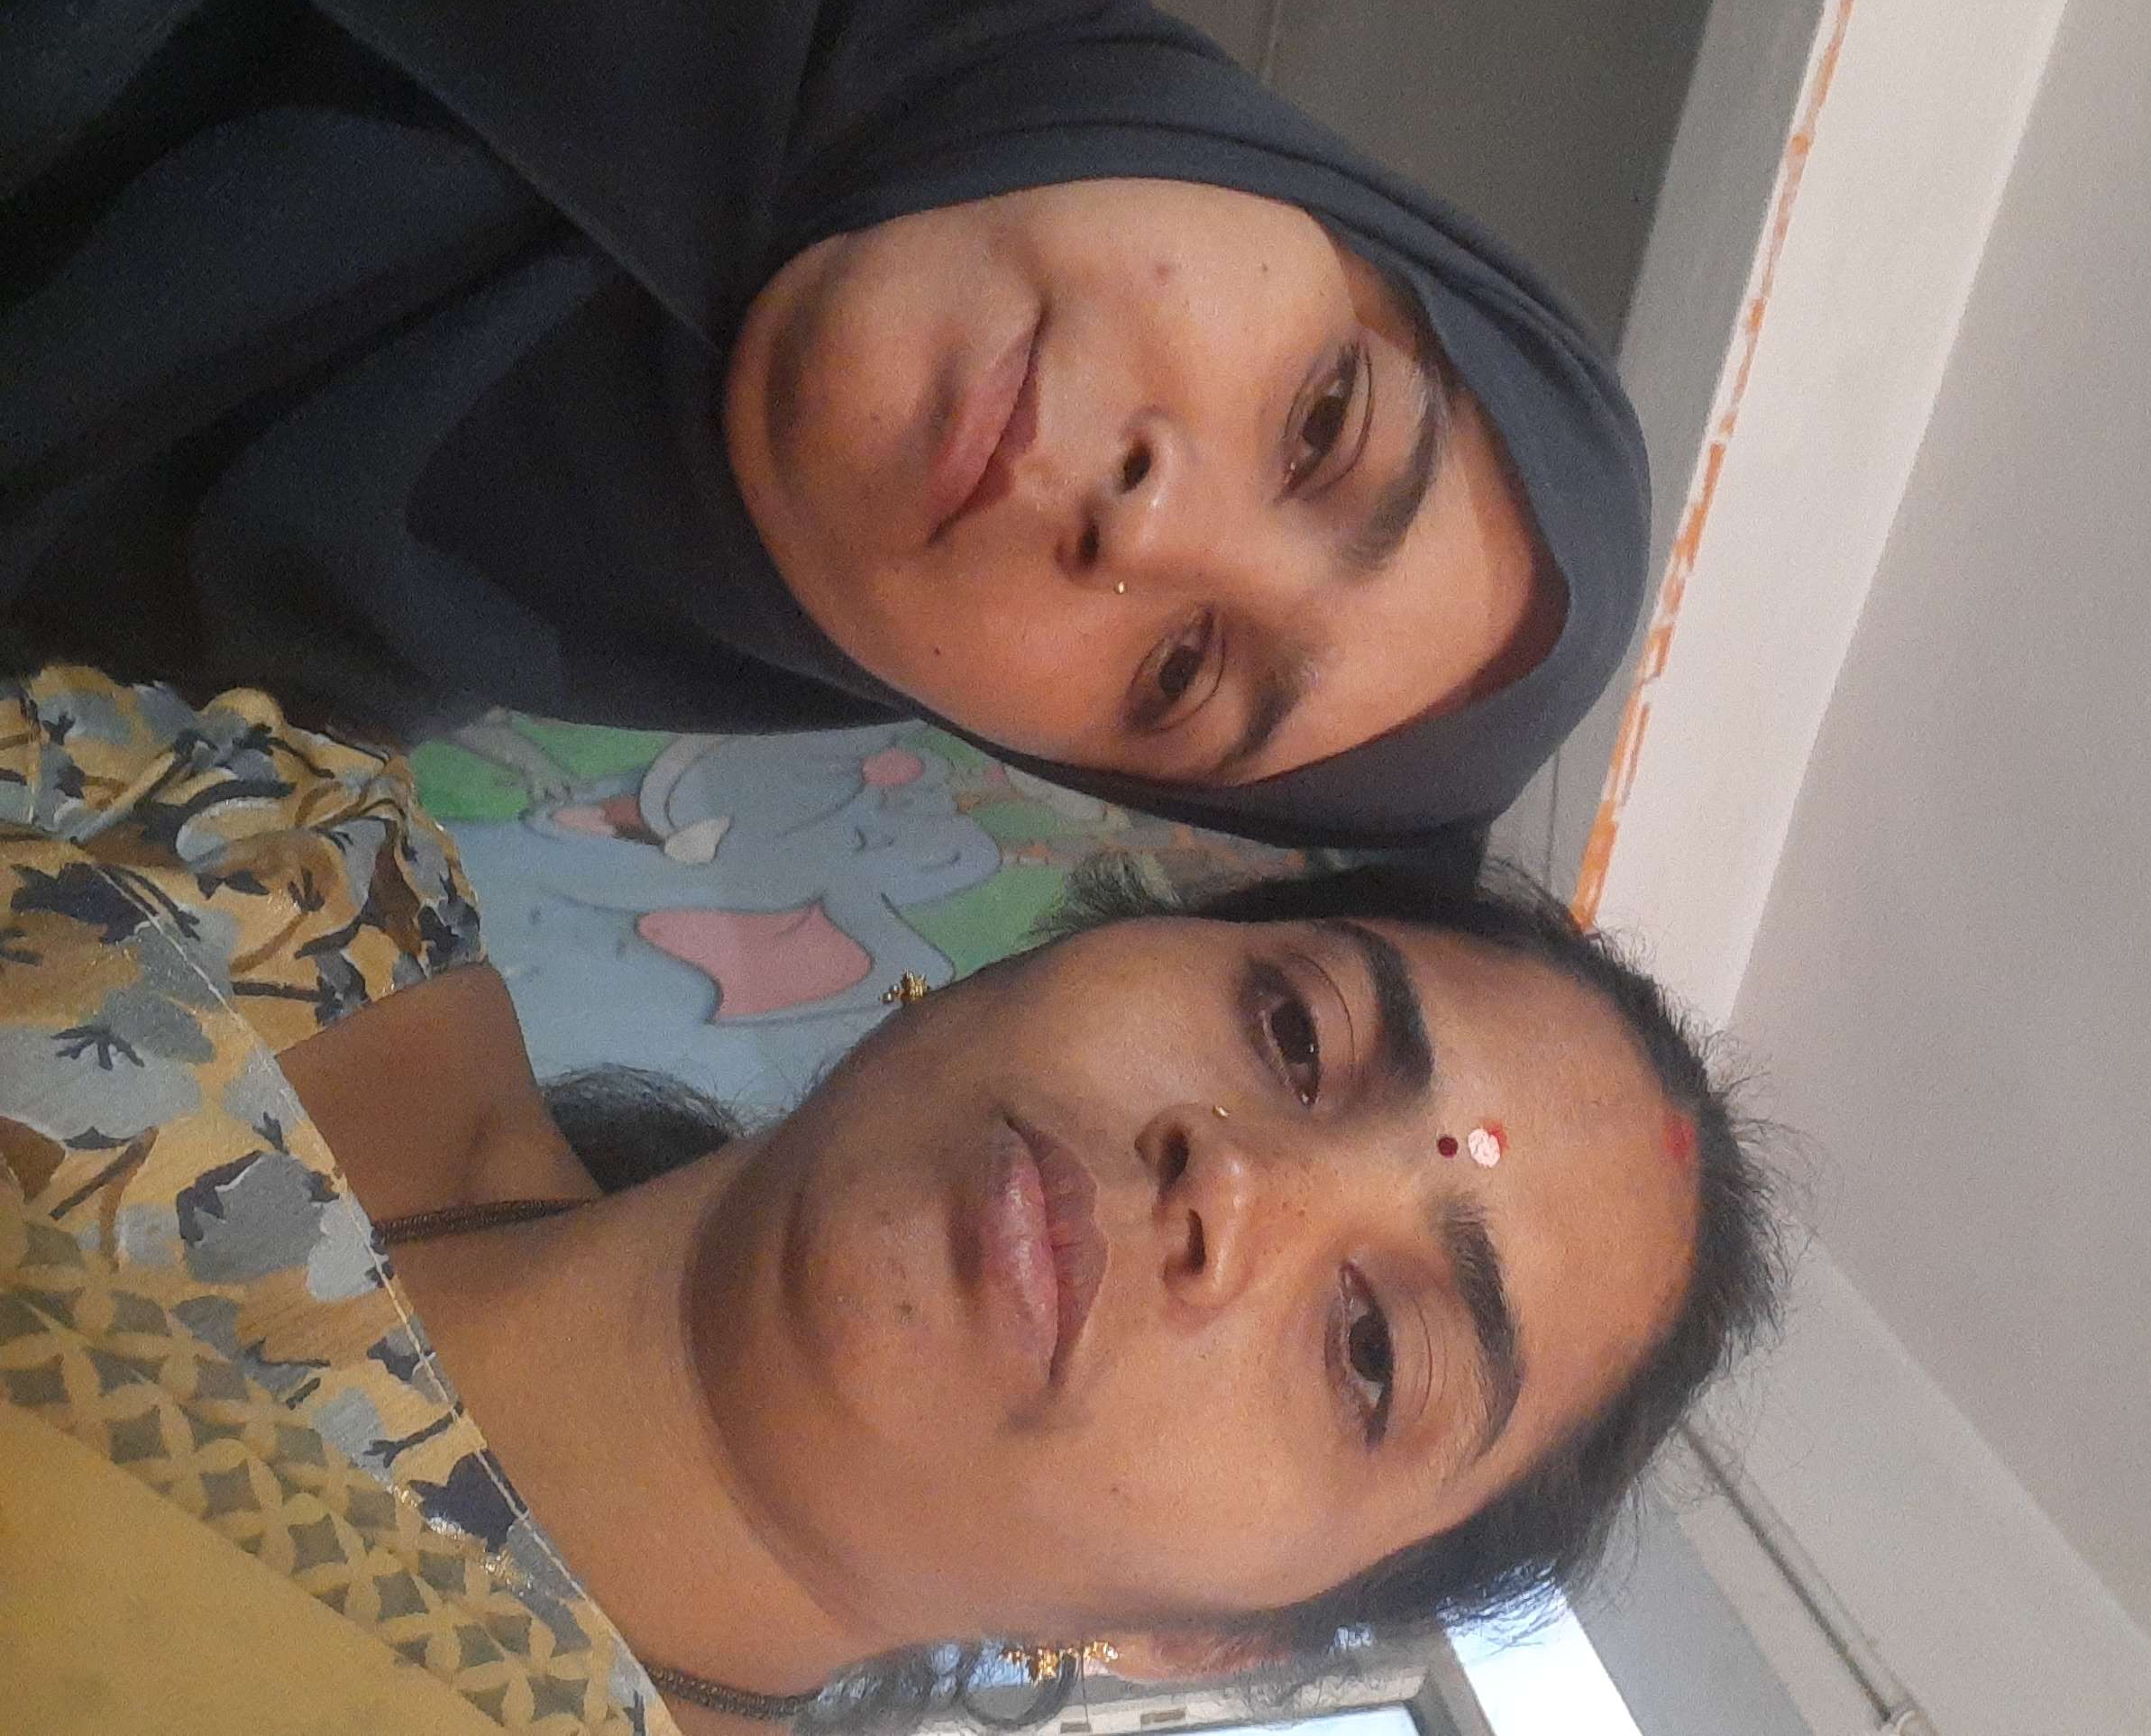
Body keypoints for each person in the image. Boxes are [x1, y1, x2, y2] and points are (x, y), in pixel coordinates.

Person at [0, 665, 1776, 1735]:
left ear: (1212, 1636)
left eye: (1375, 1351)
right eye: (1296, 1033)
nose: (1236, 1177)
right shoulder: (277, 870)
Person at [0, 0, 1650, 848]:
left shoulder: (190, 745)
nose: (1145, 523)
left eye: (1178, 674)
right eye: (1325, 423)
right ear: (1303, 190)